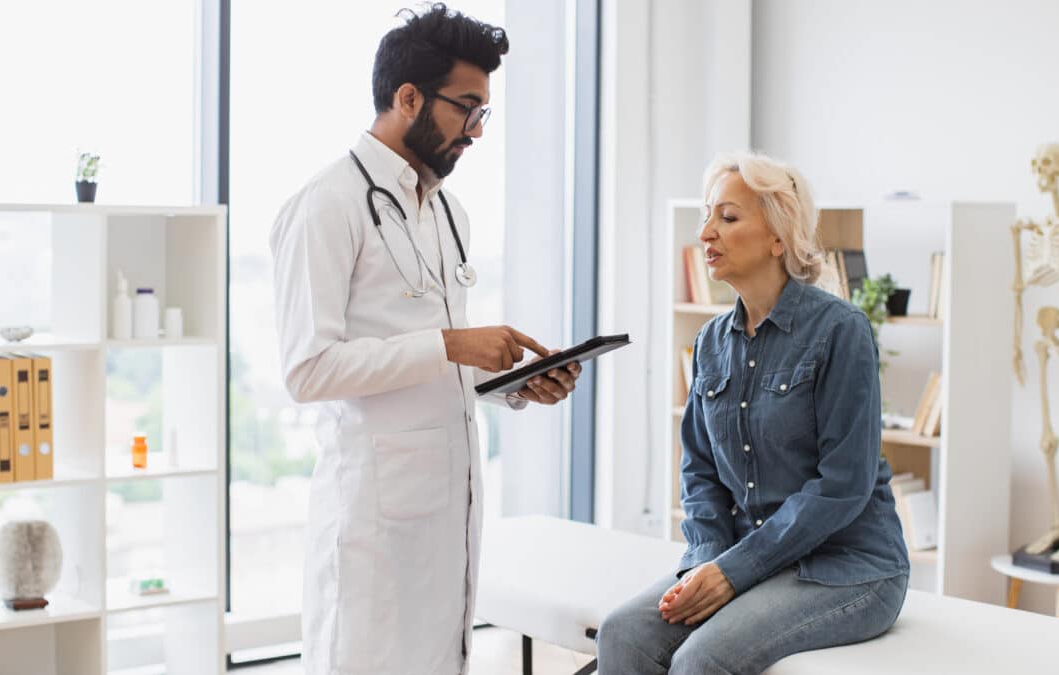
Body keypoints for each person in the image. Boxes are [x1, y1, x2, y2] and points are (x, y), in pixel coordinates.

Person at [269, 5, 580, 673]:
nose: (476, 130)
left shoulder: (446, 210)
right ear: (407, 97)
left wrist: (514, 386)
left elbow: (438, 364)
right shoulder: (325, 205)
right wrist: (451, 344)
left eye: (483, 112)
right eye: (465, 107)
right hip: (371, 527)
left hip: (449, 518)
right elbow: (307, 369)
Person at [596, 152, 909, 674]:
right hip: (747, 559)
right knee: (623, 634)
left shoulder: (840, 331)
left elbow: (844, 485)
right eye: (706, 216)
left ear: (779, 237)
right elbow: (699, 471)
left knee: (703, 658)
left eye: (728, 217)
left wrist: (735, 571)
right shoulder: (710, 342)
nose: (706, 233)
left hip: (849, 567)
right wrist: (707, 561)